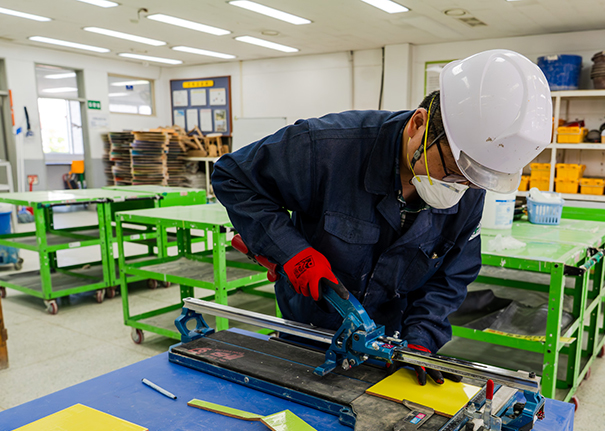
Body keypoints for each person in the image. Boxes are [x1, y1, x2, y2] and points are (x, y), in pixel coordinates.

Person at [212, 49, 551, 385]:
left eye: (473, 179)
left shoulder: (469, 185)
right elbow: (233, 177)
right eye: (453, 169)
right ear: (418, 124)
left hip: (391, 341)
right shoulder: (326, 148)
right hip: (309, 330)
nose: (460, 186)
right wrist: (291, 252)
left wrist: (422, 339)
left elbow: (452, 275)